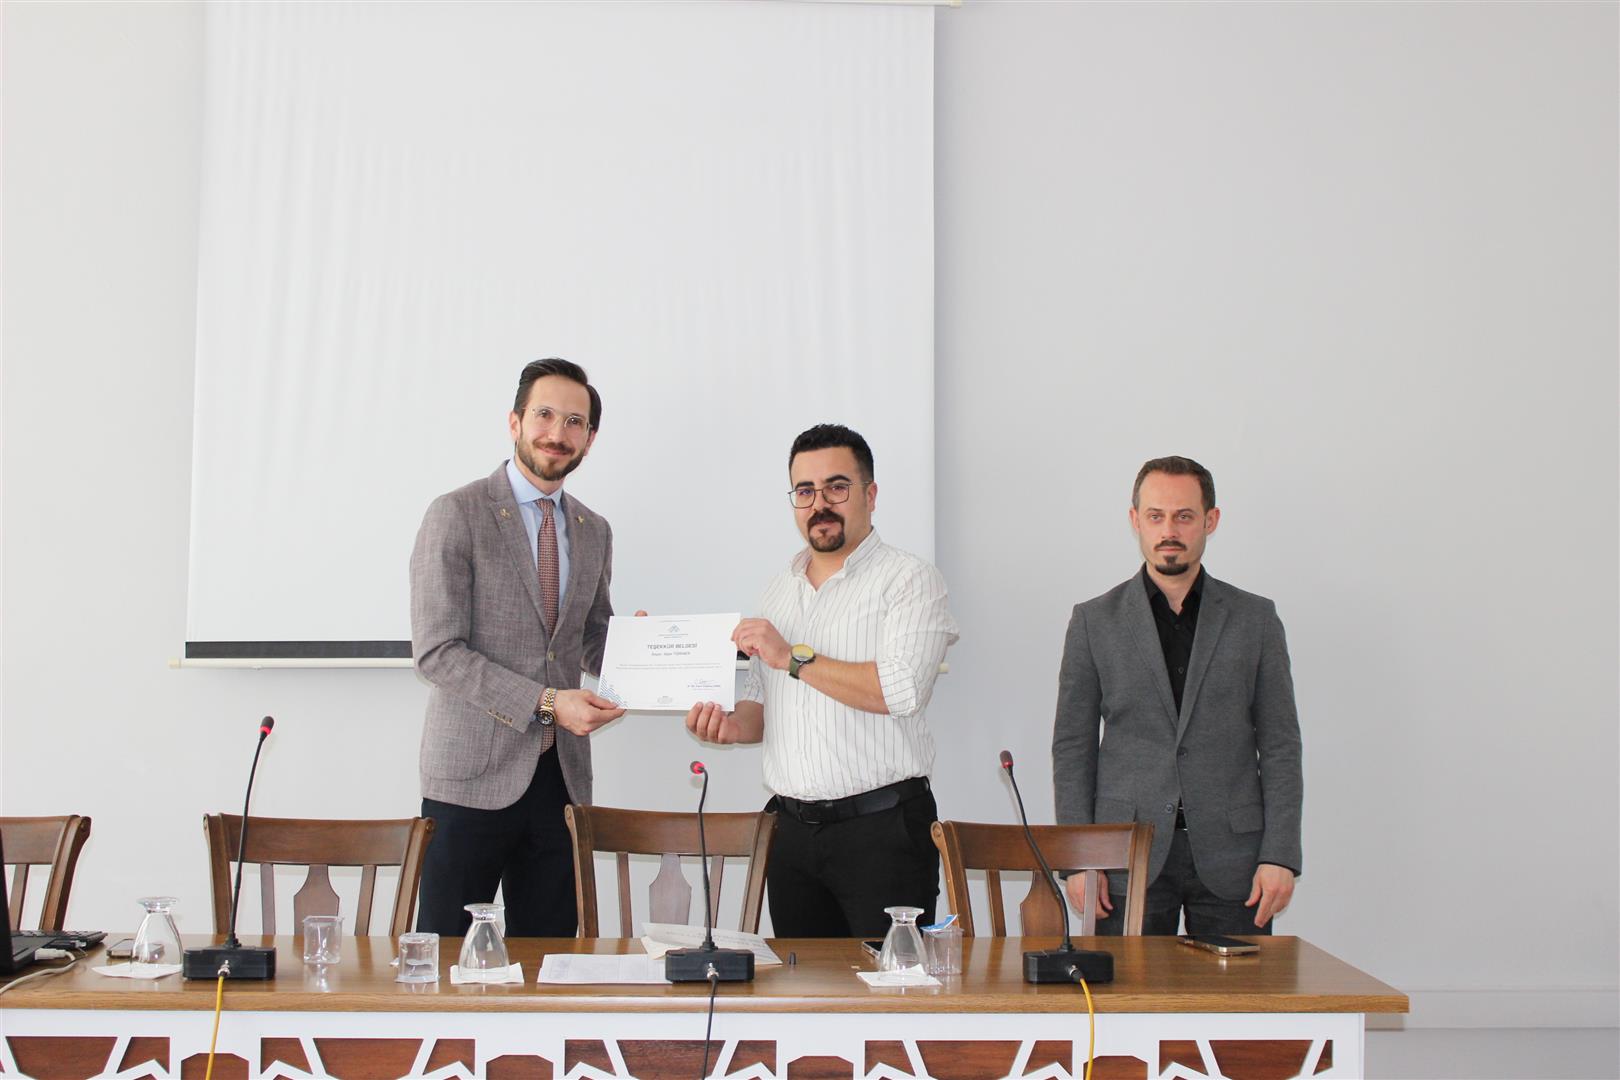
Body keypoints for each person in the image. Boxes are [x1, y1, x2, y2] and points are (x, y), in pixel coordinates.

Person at [685, 424, 959, 937]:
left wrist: (792, 657)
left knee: (890, 983)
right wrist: (729, 726)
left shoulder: (910, 580)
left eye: (836, 487)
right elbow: (761, 706)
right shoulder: (778, 591)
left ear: (870, 495)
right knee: (801, 985)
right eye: (805, 491)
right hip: (791, 835)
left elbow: (899, 690)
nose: (820, 504)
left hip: (883, 833)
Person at [410, 358, 624, 937]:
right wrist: (548, 702)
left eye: (574, 422)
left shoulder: (594, 529)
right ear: (515, 422)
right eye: (544, 415)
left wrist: (642, 652)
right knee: (448, 958)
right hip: (470, 779)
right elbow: (437, 651)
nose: (558, 433)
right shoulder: (457, 513)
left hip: (561, 782)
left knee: (550, 960)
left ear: (590, 438)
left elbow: (590, 637)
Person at [1052, 456, 1302, 935]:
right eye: (1156, 516)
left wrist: (1280, 855)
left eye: (1184, 516)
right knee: (1128, 988)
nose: (1169, 530)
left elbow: (1280, 746)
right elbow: (1072, 747)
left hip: (1237, 859)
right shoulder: (1093, 622)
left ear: (1211, 520)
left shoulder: (1256, 620)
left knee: (1240, 988)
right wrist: (1079, 858)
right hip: (1124, 858)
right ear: (1135, 520)